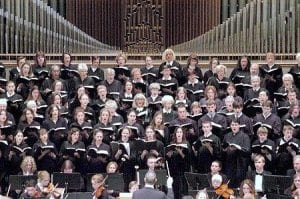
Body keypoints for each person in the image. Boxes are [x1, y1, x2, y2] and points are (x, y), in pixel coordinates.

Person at [222, 119, 250, 188]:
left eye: (236, 125)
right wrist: (225, 149)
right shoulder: (227, 136)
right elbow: (223, 148)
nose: (234, 127)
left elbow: (247, 151)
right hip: (229, 163)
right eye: (232, 125)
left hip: (239, 163)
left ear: (239, 126)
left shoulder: (245, 136)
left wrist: (238, 148)